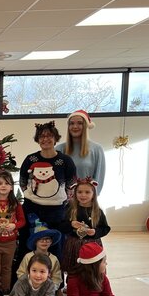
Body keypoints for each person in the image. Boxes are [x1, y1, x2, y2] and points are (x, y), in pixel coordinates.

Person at [18, 121, 76, 261]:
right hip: (32, 209)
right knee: (29, 242)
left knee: (56, 244)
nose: (45, 139)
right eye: (42, 136)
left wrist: (59, 199)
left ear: (55, 138)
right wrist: (36, 196)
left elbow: (71, 184)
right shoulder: (30, 159)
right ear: (37, 139)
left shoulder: (65, 161)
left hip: (56, 211)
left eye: (49, 136)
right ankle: (25, 272)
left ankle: (55, 273)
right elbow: (23, 182)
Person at [60, 178, 111, 275]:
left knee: (92, 269)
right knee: (74, 269)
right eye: (79, 192)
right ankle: (73, 283)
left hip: (92, 245)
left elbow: (105, 228)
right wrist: (71, 224)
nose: (83, 195)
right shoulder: (70, 208)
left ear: (93, 194)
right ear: (75, 193)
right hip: (74, 244)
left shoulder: (97, 211)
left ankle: (92, 282)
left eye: (87, 192)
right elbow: (61, 226)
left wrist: (95, 232)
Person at [17, 219, 66, 296]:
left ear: (51, 241)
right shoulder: (28, 257)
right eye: (41, 239)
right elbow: (21, 273)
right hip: (29, 290)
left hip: (47, 290)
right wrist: (29, 286)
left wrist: (51, 289)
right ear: (35, 242)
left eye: (47, 239)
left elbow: (57, 277)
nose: (45, 242)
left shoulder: (54, 259)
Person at [56, 110, 106, 194]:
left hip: (86, 199)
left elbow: (99, 178)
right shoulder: (59, 149)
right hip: (64, 199)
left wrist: (92, 197)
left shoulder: (97, 149)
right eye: (71, 123)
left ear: (86, 126)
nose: (75, 126)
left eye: (80, 123)